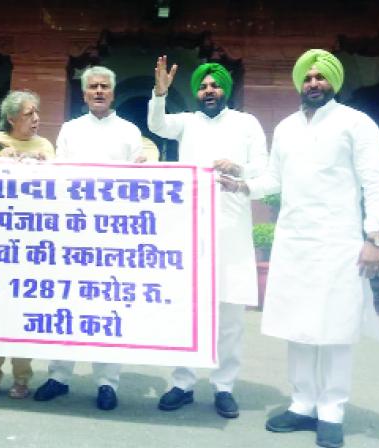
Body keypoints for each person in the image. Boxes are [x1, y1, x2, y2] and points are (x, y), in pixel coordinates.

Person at [218, 49, 379, 448]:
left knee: (335, 328)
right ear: (299, 83)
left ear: (334, 82)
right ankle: (301, 403)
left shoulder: (356, 124)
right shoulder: (287, 128)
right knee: (298, 326)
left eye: (321, 77)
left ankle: (332, 410)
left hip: (340, 242)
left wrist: (374, 237)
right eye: (308, 77)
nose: (313, 83)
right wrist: (242, 185)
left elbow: (375, 182)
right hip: (294, 241)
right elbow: (273, 178)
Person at [147, 57, 268, 419]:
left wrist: (238, 167)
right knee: (186, 311)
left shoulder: (247, 124)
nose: (209, 90)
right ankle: (181, 383)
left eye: (215, 85)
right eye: (203, 86)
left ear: (226, 90)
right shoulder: (186, 123)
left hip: (232, 231)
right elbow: (157, 124)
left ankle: (224, 386)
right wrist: (160, 93)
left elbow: (263, 169)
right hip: (190, 231)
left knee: (229, 316)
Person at [32, 66, 145, 411]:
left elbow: (140, 183)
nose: (98, 91)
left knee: (108, 308)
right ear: (84, 94)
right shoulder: (69, 130)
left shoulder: (129, 131)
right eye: (92, 87)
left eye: (104, 87)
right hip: (74, 231)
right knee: (67, 304)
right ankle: (59, 375)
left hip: (114, 234)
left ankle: (108, 381)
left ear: (113, 93)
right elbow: (59, 176)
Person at [0, 90, 54, 401]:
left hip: (29, 245)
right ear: (11, 118)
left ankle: (22, 378)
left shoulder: (45, 146)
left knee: (23, 314)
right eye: (29, 114)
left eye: (37, 113)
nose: (36, 119)